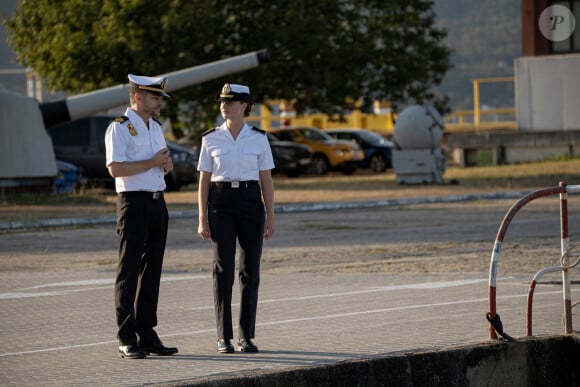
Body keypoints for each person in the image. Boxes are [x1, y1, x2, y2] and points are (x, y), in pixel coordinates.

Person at [197, 83, 275, 353]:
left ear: (243, 106)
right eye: (222, 101)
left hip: (251, 203)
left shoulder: (258, 137)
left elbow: (266, 178)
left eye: (230, 101)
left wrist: (271, 215)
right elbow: (204, 180)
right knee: (223, 269)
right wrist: (201, 217)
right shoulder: (210, 138)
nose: (224, 105)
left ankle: (246, 335)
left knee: (250, 270)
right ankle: (223, 337)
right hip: (220, 203)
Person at [105, 74, 179, 359]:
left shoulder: (156, 127)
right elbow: (116, 169)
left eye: (160, 97)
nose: (160, 102)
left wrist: (166, 165)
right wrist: (152, 162)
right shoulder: (120, 127)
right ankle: (126, 337)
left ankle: (147, 334)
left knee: (152, 272)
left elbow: (161, 165)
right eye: (155, 97)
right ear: (138, 97)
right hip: (133, 204)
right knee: (129, 270)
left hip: (157, 202)